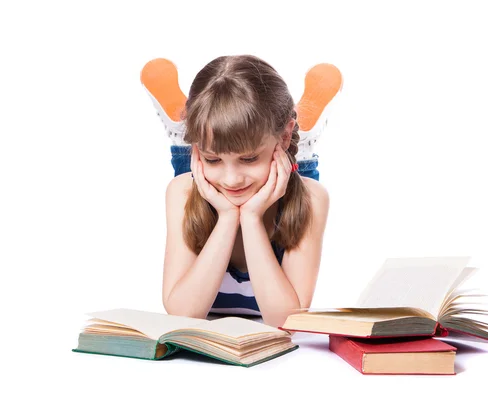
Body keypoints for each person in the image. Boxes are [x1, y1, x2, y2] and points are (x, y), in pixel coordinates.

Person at [141, 55, 342, 327]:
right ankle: (184, 133)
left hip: (283, 165)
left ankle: (299, 141)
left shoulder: (313, 199)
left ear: (283, 137)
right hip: (212, 166)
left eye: (248, 158)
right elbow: (182, 316)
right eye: (212, 159)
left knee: (296, 165)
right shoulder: (182, 191)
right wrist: (226, 217)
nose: (231, 179)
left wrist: (250, 218)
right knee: (190, 164)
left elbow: (286, 322)